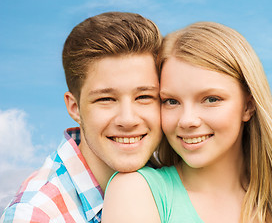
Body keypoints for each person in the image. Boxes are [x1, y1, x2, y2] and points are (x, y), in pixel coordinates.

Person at [103, 22, 272, 223]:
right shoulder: (137, 191)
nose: (187, 120)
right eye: (171, 101)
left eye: (211, 99)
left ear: (248, 106)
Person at [0, 12, 163, 222]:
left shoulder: (174, 181)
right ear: (75, 107)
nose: (128, 119)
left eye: (144, 96)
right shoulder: (36, 215)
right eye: (106, 99)